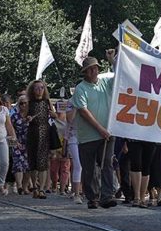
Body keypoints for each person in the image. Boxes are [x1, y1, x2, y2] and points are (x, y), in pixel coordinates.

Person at [71, 53, 118, 209]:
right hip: (88, 136)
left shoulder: (105, 83)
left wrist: (112, 61)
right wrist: (100, 128)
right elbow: (83, 111)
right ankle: (92, 197)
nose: (93, 71)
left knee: (107, 164)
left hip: (107, 132)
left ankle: (107, 195)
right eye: (90, 69)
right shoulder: (81, 88)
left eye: (95, 68)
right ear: (85, 72)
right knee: (89, 168)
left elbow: (120, 76)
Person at [26, 79, 56, 198]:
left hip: (44, 133)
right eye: (37, 88)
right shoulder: (29, 102)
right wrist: (28, 118)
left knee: (43, 162)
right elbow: (24, 116)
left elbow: (55, 115)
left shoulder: (47, 102)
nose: (39, 90)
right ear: (32, 90)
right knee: (33, 161)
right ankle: (35, 187)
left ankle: (42, 189)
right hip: (32, 133)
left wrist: (53, 114)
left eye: (41, 88)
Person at [10, 95, 30, 194]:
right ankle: (19, 186)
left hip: (29, 144)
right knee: (18, 164)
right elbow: (10, 129)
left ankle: (25, 187)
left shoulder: (31, 116)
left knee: (28, 166)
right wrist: (15, 141)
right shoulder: (14, 116)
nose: (23, 105)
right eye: (21, 103)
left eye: (25, 103)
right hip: (16, 142)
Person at [65, 103, 85, 204]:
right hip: (73, 137)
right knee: (78, 165)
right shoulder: (71, 103)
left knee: (86, 165)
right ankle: (77, 194)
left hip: (86, 136)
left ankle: (82, 190)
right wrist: (76, 107)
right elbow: (69, 119)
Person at [128, 139, 157, 207]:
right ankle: (136, 197)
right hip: (134, 139)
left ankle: (142, 198)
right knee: (135, 165)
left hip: (150, 139)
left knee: (146, 167)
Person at [49, 110, 71, 195]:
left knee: (65, 169)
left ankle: (62, 189)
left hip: (65, 147)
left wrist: (57, 118)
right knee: (53, 170)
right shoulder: (51, 120)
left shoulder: (68, 119)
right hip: (54, 149)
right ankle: (54, 185)